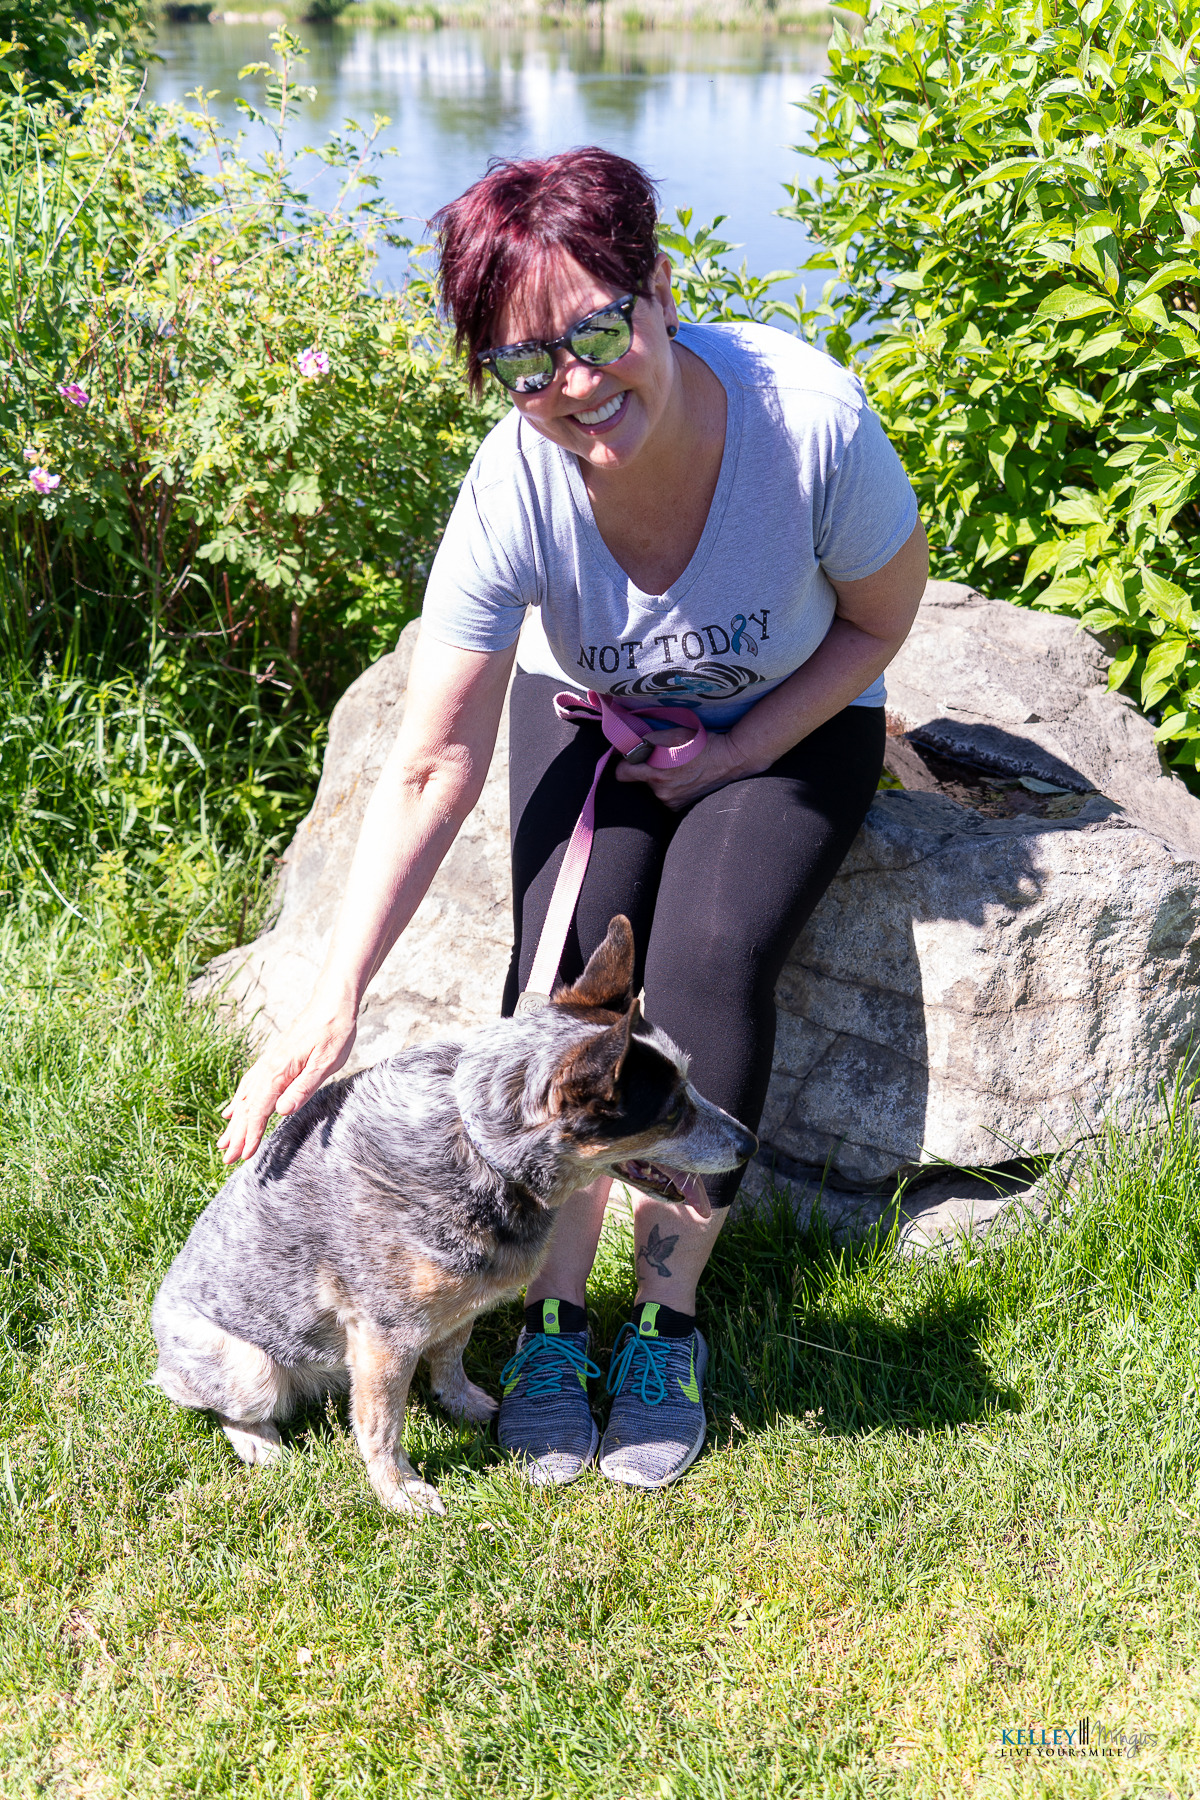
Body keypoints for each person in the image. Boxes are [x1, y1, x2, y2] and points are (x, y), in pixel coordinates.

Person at [218, 146, 928, 1493]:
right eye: (524, 367)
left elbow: (884, 617)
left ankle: (662, 1327)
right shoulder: (513, 486)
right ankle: (549, 1322)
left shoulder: (810, 425)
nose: (573, 385)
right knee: (555, 999)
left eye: (598, 331)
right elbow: (432, 758)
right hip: (590, 716)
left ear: (661, 289)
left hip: (791, 719)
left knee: (711, 959)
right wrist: (334, 999)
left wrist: (740, 748)